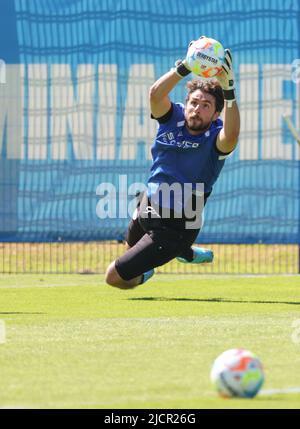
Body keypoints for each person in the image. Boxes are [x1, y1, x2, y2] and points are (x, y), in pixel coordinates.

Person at [105, 38, 240, 289]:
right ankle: (184, 253)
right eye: (193, 103)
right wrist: (185, 67)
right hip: (148, 206)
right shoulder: (172, 118)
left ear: (216, 114)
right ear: (186, 103)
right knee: (130, 250)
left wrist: (229, 89)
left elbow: (231, 136)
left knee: (114, 277)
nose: (197, 109)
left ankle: (171, 255)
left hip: (176, 226)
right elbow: (156, 94)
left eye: (206, 105)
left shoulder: (216, 138)